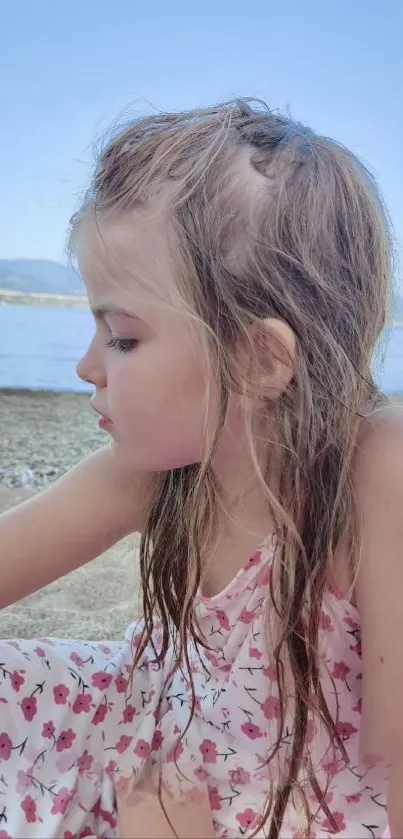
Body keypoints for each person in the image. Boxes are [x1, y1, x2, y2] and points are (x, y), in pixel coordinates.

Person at [0, 98, 402, 838]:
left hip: (300, 803)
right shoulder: (157, 467)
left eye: (121, 337)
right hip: (151, 722)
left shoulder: (378, 471)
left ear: (257, 359)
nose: (87, 366)